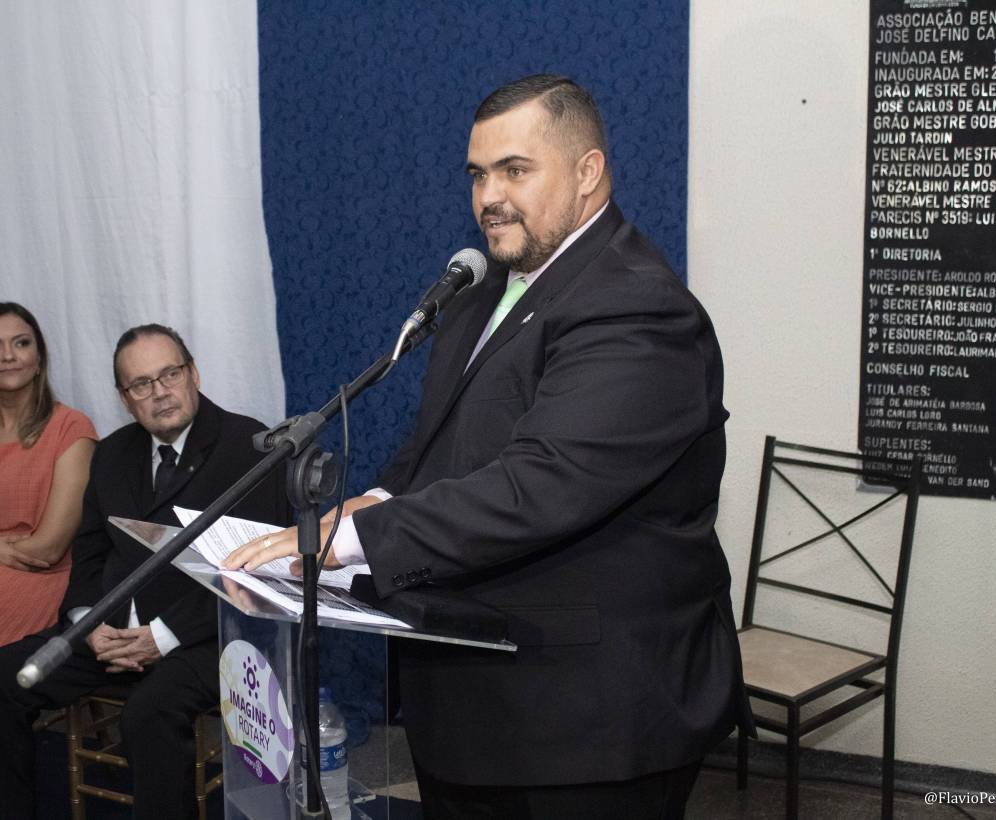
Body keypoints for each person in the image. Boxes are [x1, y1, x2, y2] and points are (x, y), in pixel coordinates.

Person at [228, 74, 753, 819]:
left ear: (588, 172)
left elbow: (543, 484)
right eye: (478, 175)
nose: (489, 198)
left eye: (515, 170)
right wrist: (373, 499)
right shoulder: (481, 292)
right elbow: (436, 448)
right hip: (472, 707)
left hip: (588, 723)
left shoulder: (637, 305)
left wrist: (351, 541)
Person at [0, 323, 290, 820]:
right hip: (110, 633)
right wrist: (88, 622)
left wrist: (163, 636)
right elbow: (89, 552)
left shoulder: (250, 447)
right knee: (5, 677)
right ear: (124, 398)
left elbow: (254, 571)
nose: (159, 392)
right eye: (141, 384)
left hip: (210, 633)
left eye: (169, 374)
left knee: (149, 712)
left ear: (193, 374)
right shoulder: (112, 453)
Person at [0, 302, 97, 646]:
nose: (8, 355)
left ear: (40, 357)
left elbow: (48, 549)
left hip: (37, 580)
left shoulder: (71, 428)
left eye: (21, 343)